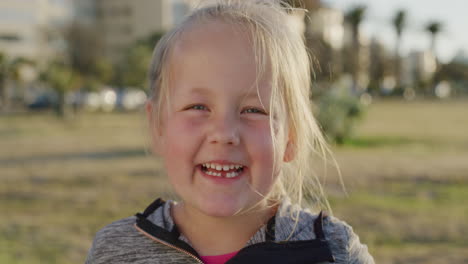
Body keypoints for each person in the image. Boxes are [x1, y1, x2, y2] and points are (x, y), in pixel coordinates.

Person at [86, 1, 374, 263]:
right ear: (158, 126)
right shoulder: (117, 250)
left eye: (254, 110)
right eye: (198, 106)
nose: (224, 133)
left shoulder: (333, 250)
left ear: (291, 137)